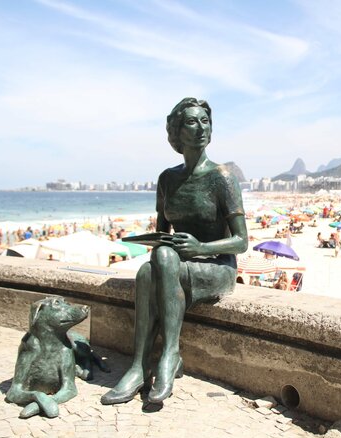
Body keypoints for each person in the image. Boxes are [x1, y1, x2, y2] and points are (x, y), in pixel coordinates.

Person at [101, 98, 248, 406]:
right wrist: (153, 242)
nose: (201, 129)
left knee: (155, 267)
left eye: (205, 121)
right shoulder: (167, 179)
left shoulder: (222, 177)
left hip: (215, 265)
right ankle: (141, 365)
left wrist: (201, 247)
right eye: (192, 123)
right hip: (177, 265)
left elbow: (241, 241)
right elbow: (162, 235)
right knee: (146, 271)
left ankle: (164, 355)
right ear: (177, 133)